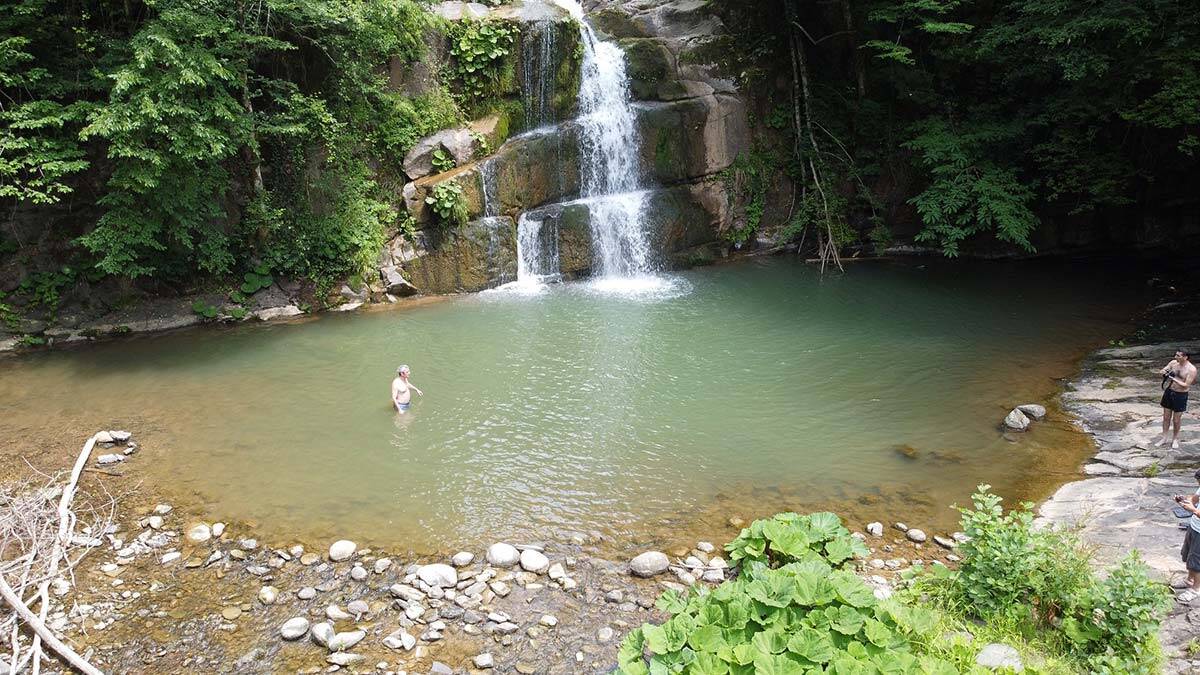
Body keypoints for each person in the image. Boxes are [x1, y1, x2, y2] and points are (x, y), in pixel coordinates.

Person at [1158, 349, 1196, 450]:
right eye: (1176, 355)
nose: (1176, 357)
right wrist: (1164, 372)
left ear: (1185, 357)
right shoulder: (1174, 363)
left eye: (1178, 356)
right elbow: (1163, 370)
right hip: (1169, 392)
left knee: (1176, 420)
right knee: (1166, 417)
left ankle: (1175, 439)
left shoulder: (1191, 369)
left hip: (1180, 395)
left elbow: (1186, 385)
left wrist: (1173, 378)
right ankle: (1164, 437)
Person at [1174, 469, 1200, 602]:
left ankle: (1196, 589)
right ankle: (1189, 580)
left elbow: (1195, 509)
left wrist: (1194, 510)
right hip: (1194, 527)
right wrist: (1184, 501)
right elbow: (1194, 500)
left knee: (1196, 561)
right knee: (1188, 554)